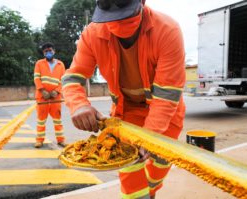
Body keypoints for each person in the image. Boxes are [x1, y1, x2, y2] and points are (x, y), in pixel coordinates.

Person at [62, 0, 186, 198]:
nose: (117, 21)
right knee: (132, 178)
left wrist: (149, 136)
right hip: (126, 115)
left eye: (124, 13)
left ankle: (152, 191)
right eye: (110, 15)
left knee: (158, 168)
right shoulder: (92, 34)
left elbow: (166, 95)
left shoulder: (167, 30)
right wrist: (78, 105)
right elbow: (72, 78)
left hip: (165, 116)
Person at [34, 42, 66, 148]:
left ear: (54, 51)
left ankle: (61, 140)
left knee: (57, 119)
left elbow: (63, 80)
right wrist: (42, 91)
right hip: (42, 97)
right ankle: (39, 140)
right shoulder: (39, 63)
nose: (48, 52)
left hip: (55, 97)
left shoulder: (60, 65)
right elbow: (37, 78)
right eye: (46, 51)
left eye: (50, 50)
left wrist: (57, 91)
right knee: (41, 120)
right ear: (43, 53)